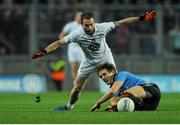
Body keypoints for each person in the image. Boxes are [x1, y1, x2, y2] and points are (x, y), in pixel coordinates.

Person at [32, 10, 156, 111]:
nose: (90, 27)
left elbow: (121, 23)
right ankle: (69, 106)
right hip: (88, 61)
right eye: (87, 25)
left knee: (115, 85)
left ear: (94, 22)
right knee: (77, 87)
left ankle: (124, 103)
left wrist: (142, 18)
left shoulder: (102, 27)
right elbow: (60, 42)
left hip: (105, 59)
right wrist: (44, 51)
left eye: (91, 24)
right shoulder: (77, 34)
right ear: (82, 24)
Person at [90, 63, 161, 112]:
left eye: (104, 74)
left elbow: (112, 91)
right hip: (148, 104)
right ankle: (133, 103)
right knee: (113, 100)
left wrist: (98, 103)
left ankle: (129, 101)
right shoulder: (115, 89)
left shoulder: (121, 74)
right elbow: (113, 96)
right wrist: (114, 106)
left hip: (151, 90)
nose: (103, 77)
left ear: (112, 71)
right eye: (101, 76)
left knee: (125, 94)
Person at [59, 11, 84, 82]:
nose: (79, 17)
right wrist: (63, 42)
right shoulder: (70, 25)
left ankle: (80, 83)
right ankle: (75, 84)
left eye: (81, 16)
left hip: (81, 48)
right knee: (73, 67)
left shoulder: (85, 26)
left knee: (81, 68)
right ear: (75, 17)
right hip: (72, 48)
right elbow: (61, 35)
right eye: (78, 16)